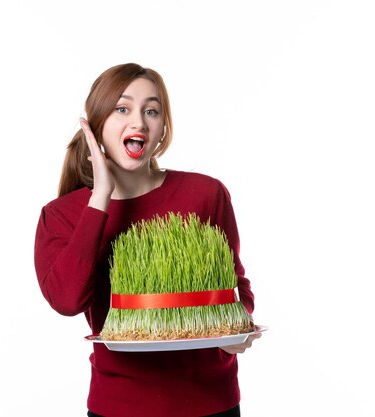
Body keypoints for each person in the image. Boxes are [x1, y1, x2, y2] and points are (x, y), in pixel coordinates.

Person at [34, 63, 261, 417]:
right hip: (119, 407)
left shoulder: (206, 193)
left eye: (151, 111)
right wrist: (101, 197)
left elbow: (236, 287)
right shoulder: (62, 215)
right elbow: (66, 300)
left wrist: (236, 330)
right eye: (122, 108)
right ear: (95, 125)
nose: (138, 121)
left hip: (212, 404)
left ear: (163, 128)